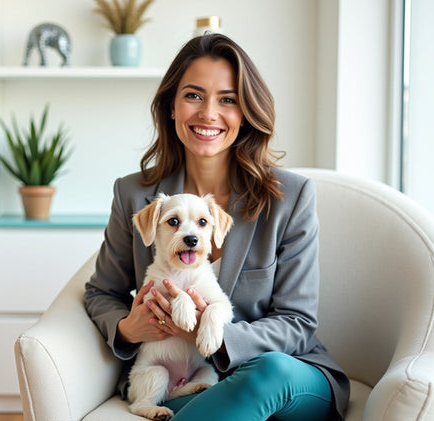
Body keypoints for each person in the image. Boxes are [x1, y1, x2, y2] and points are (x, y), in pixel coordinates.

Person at [84, 33, 350, 420]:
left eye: (227, 99)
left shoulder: (290, 197)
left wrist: (214, 336)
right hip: (190, 383)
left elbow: (298, 322)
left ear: (245, 113)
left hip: (284, 377)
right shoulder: (133, 194)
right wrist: (129, 327)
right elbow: (101, 293)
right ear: (171, 107)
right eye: (193, 95)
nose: (208, 113)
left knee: (269, 371)